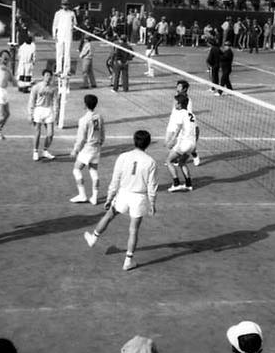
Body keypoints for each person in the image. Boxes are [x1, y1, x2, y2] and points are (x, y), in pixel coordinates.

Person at [84, 129, 158, 271]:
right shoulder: (151, 162)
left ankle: (93, 238)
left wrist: (109, 197)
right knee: (133, 230)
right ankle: (128, 261)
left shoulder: (123, 157)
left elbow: (115, 179)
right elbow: (152, 185)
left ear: (134, 141)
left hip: (123, 195)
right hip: (139, 197)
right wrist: (152, 203)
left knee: (109, 215)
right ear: (147, 144)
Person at [70, 94, 105, 204]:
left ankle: (82, 195)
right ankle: (94, 197)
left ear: (85, 105)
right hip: (97, 148)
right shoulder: (99, 117)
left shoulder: (84, 120)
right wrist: (101, 143)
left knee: (76, 169)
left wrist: (75, 150)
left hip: (87, 148)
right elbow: (102, 132)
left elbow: (81, 138)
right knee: (93, 171)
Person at [165, 94, 199, 192]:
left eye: (175, 102)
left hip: (184, 143)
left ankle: (176, 183)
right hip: (192, 144)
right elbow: (196, 129)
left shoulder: (180, 113)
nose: (174, 104)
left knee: (169, 161)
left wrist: (172, 140)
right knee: (182, 162)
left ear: (179, 104)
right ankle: (188, 184)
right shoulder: (192, 115)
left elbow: (179, 128)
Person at [28, 69, 58, 161]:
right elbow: (31, 101)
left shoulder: (53, 88)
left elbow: (56, 101)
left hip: (48, 110)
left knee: (50, 134)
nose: (48, 78)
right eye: (47, 75)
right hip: (39, 110)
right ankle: (35, 151)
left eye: (50, 76)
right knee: (37, 132)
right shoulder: (36, 87)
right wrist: (30, 113)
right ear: (43, 76)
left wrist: (56, 113)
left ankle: (45, 150)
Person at [52, 0, 76, 77]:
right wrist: (54, 35)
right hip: (60, 35)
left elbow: (75, 24)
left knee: (67, 53)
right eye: (64, 4)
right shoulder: (58, 13)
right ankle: (58, 70)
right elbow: (54, 25)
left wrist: (73, 25)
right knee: (59, 53)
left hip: (68, 35)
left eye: (66, 4)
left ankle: (67, 70)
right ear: (61, 5)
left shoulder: (71, 13)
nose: (65, 6)